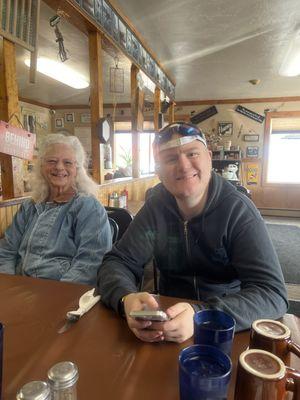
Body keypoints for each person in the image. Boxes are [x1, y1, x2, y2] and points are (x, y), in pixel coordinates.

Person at [97, 122, 288, 343]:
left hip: (225, 324)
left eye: (192, 153)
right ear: (159, 171)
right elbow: (118, 261)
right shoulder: (155, 208)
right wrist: (125, 299)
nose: (184, 166)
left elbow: (272, 294)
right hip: (163, 322)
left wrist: (202, 315)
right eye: (170, 159)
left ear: (208, 157)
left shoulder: (237, 211)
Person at [0, 133, 112, 285]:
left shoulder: (88, 207)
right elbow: (7, 251)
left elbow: (89, 265)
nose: (59, 167)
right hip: (19, 290)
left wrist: (56, 296)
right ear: (41, 166)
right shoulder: (29, 206)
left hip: (60, 294)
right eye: (52, 161)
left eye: (67, 162)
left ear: (77, 169)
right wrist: (8, 285)